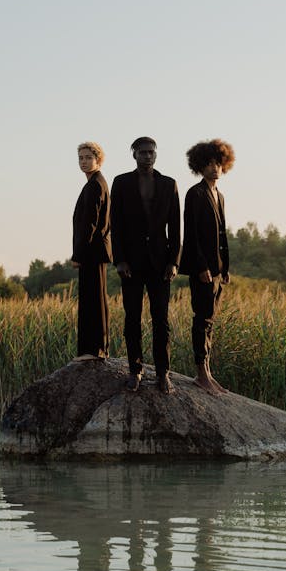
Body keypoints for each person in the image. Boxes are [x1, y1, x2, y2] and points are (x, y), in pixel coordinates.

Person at [110, 137, 180, 393]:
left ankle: (163, 373)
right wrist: (119, 259)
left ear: (156, 155)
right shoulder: (121, 183)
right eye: (142, 152)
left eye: (151, 152)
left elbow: (175, 227)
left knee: (161, 320)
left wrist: (174, 261)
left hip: (161, 263)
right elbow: (115, 224)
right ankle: (135, 371)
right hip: (131, 263)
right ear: (134, 155)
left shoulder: (169, 184)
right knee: (132, 319)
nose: (147, 156)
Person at [179, 139, 235, 395]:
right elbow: (190, 235)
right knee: (201, 318)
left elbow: (222, 234)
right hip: (202, 269)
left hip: (217, 270)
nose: (214, 168)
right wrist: (201, 267)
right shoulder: (195, 193)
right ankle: (201, 373)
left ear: (224, 165)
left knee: (210, 320)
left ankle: (208, 371)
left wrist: (225, 269)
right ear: (200, 167)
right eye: (209, 164)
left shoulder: (219, 195)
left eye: (218, 163)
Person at [71, 141, 112, 359]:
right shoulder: (94, 183)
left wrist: (78, 255)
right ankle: (95, 348)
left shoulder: (96, 184)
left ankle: (94, 350)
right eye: (80, 158)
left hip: (91, 252)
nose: (84, 162)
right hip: (93, 251)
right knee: (92, 299)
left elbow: (90, 223)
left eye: (88, 157)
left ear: (98, 159)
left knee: (93, 301)